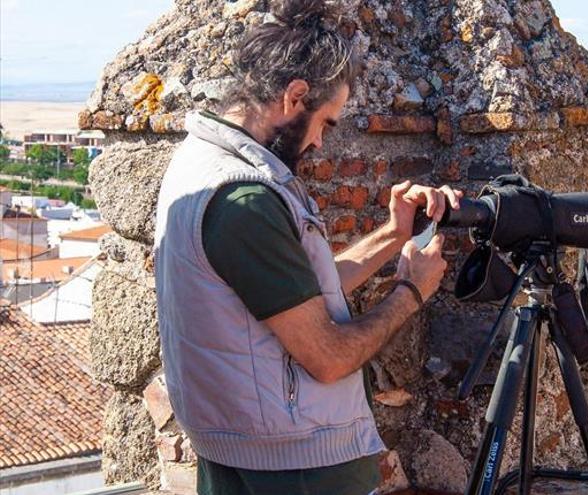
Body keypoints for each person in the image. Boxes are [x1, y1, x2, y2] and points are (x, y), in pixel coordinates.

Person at [152, 1, 460, 493]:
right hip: (296, 465)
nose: (320, 142)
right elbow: (328, 356)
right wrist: (412, 290)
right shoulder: (245, 199)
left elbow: (294, 294)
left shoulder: (201, 161)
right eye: (326, 122)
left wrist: (393, 235)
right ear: (295, 96)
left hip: (250, 448)